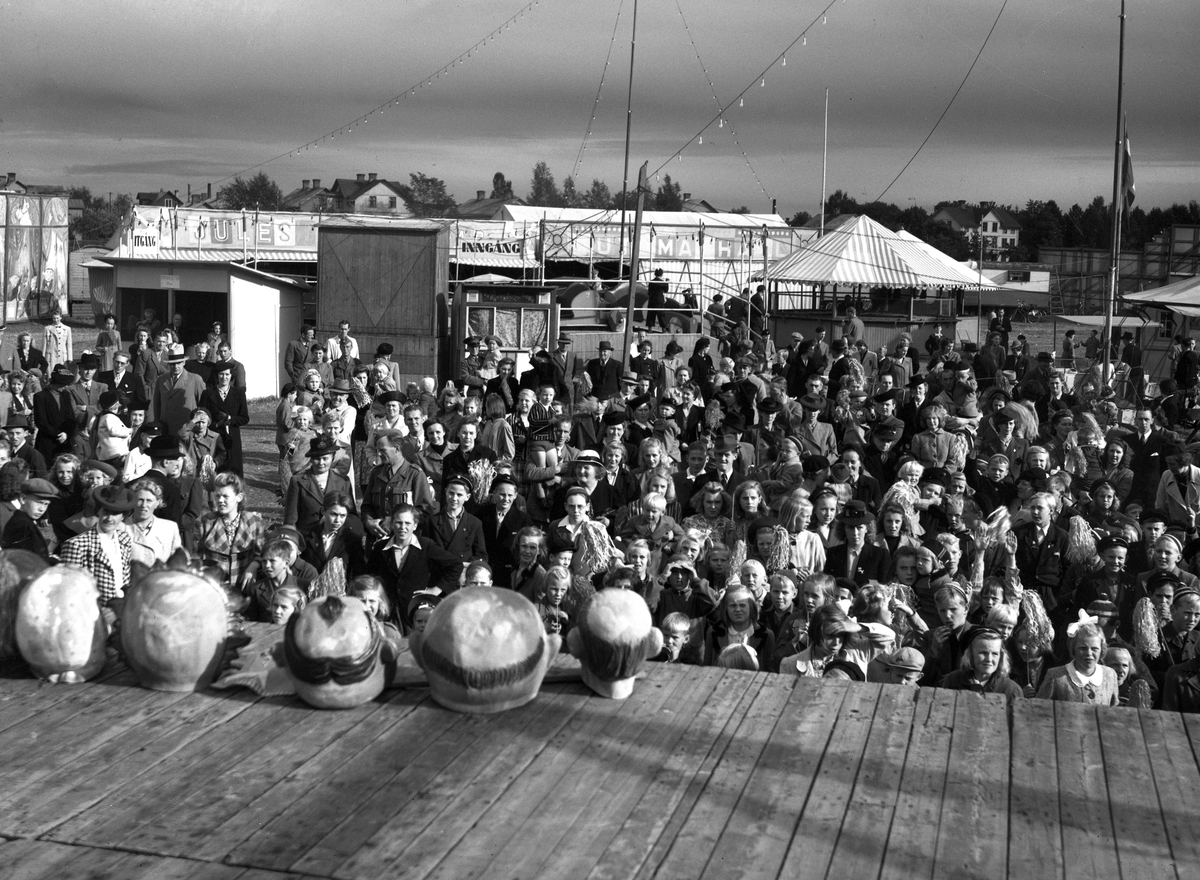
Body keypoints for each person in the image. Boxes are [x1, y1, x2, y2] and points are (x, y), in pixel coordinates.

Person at [368, 504, 464, 630]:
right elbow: (370, 576)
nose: (403, 527)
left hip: (413, 612)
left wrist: (436, 589)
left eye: (407, 523)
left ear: (415, 525)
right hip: (388, 612)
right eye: (398, 523)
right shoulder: (380, 548)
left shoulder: (425, 545)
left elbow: (455, 565)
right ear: (391, 524)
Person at [58, 485, 136, 604]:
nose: (109, 518)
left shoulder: (124, 539)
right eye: (106, 511)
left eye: (115, 514)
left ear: (123, 516)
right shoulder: (77, 545)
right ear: (99, 511)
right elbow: (70, 591)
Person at [189, 472, 265, 591]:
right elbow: (195, 558)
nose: (220, 500)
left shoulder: (253, 522)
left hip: (244, 590)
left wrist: (254, 565)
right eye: (217, 496)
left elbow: (263, 554)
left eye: (225, 496)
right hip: (214, 591)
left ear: (238, 498)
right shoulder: (206, 522)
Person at [1036, 622, 1119, 706]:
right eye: (1083, 648)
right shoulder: (1055, 676)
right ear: (1073, 648)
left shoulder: (1110, 675)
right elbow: (1040, 709)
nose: (1089, 653)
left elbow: (1114, 712)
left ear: (1101, 649)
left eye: (1094, 649)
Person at [200, 362, 250, 476]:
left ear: (231, 375)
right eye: (221, 374)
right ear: (217, 375)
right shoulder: (207, 394)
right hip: (213, 438)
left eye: (227, 374)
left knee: (233, 472)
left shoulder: (239, 393)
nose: (224, 377)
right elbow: (202, 417)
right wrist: (215, 425)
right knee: (213, 471)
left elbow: (245, 418)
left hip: (232, 438)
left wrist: (230, 418)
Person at [123, 477, 183, 567]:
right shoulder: (122, 527)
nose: (144, 505)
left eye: (149, 501)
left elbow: (178, 562)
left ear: (158, 503)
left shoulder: (169, 528)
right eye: (140, 500)